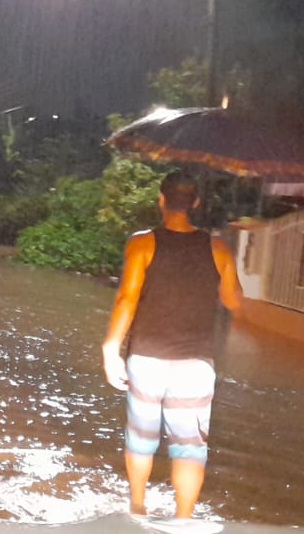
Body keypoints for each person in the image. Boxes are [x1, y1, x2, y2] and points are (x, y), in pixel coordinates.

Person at [101, 172, 242, 519]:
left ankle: (137, 509)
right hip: (196, 364)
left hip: (146, 359)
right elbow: (233, 301)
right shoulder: (217, 248)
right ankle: (183, 520)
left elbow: (127, 298)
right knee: (190, 449)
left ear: (161, 199)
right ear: (196, 203)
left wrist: (110, 348)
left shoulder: (142, 243)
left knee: (141, 439)